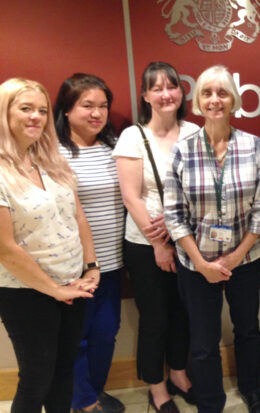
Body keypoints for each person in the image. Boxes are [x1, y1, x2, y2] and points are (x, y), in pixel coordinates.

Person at [163, 65, 260, 413]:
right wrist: (200, 263)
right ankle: (211, 402)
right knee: (203, 339)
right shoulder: (182, 151)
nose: (215, 100)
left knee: (248, 330)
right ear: (197, 101)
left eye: (222, 93)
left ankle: (252, 390)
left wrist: (237, 256)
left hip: (247, 258)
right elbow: (173, 215)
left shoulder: (252, 146)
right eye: (207, 93)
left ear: (233, 100)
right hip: (197, 264)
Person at [0, 78, 99, 412]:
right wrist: (55, 291)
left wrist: (91, 265)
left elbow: (78, 217)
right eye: (25, 108)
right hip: (27, 292)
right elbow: (5, 248)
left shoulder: (50, 160)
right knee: (36, 379)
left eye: (42, 110)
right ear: (4, 112)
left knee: (63, 372)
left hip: (73, 283)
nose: (36, 117)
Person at [113, 62, 198, 413]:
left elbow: (203, 187)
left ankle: (178, 373)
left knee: (184, 313)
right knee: (155, 318)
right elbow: (131, 197)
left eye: (172, 86)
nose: (166, 94)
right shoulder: (133, 137)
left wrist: (181, 233)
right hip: (146, 244)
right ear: (145, 96)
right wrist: (160, 244)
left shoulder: (194, 131)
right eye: (157, 88)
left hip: (187, 240)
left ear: (181, 91)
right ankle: (157, 386)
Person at [54, 73, 126, 413]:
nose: (97, 113)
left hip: (113, 263)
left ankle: (92, 393)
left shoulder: (115, 149)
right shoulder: (52, 154)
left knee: (105, 334)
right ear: (67, 110)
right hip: (74, 266)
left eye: (103, 106)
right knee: (76, 339)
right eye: (87, 106)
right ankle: (82, 401)